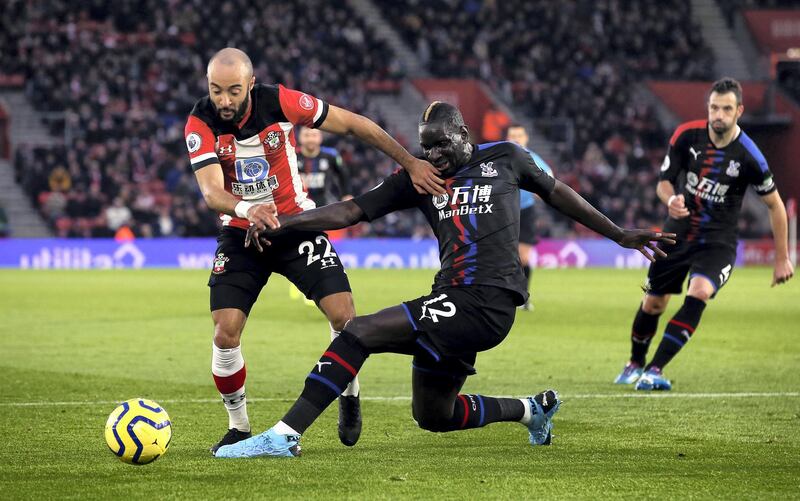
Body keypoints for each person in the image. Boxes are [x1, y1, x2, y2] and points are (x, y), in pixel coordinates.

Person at [214, 101, 674, 458]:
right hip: (453, 300)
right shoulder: (420, 176)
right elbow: (352, 210)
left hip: (489, 300)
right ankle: (534, 410)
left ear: (464, 135)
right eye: (425, 147)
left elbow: (560, 194)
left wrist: (618, 234)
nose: (433, 156)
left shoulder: (508, 158)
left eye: (440, 145)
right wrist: (286, 223)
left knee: (359, 332)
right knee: (434, 414)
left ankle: (283, 436)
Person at [184, 48, 444, 453]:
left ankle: (349, 393)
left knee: (345, 317)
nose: (225, 101)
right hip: (241, 233)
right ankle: (238, 427)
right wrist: (248, 210)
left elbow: (354, 124)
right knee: (225, 332)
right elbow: (211, 191)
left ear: (251, 84)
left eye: (234, 90)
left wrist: (410, 162)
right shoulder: (200, 122)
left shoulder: (281, 101)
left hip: (296, 226)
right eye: (217, 91)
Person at [614, 78, 794, 391]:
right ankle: (634, 363)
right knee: (653, 303)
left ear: (739, 110)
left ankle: (655, 369)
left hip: (718, 242)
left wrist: (782, 259)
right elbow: (664, 182)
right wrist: (670, 200)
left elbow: (776, 206)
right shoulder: (687, 136)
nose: (718, 115)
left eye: (726, 108)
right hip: (677, 235)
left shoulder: (750, 157)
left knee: (698, 292)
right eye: (714, 107)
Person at [506, 124, 554, 311]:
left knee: (524, 258)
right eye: (512, 135)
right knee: (504, 256)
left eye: (519, 135)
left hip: (525, 211)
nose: (516, 138)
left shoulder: (532, 158)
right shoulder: (501, 157)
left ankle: (523, 297)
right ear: (507, 138)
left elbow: (549, 176)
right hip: (503, 211)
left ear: (526, 138)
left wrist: (540, 191)